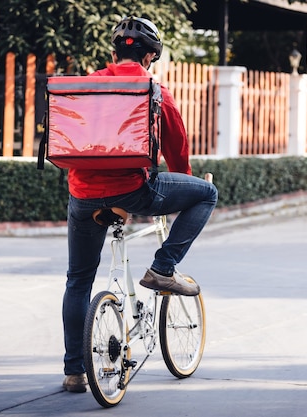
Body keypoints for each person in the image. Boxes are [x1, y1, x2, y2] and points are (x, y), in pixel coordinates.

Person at [61, 16, 218, 393]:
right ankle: (163, 268)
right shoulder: (154, 91)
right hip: (133, 190)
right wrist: (186, 179)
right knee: (207, 194)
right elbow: (176, 150)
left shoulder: (87, 85)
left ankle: (74, 372)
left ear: (114, 52)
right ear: (150, 56)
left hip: (82, 194)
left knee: (79, 279)